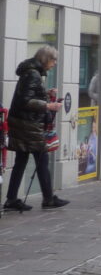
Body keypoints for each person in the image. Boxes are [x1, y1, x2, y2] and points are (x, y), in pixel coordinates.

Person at [4, 46, 68, 211]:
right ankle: (48, 199)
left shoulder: (32, 72)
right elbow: (26, 101)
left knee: (21, 160)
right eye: (54, 60)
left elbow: (28, 96)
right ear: (46, 59)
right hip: (28, 125)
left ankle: (11, 199)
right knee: (42, 159)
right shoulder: (33, 74)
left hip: (23, 123)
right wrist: (49, 105)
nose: (54, 64)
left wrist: (46, 93)